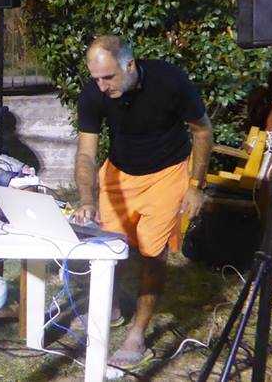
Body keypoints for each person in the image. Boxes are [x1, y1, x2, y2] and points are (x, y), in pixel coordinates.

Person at [73, 34, 213, 369]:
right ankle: (111, 309)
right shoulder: (94, 92)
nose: (102, 86)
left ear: (130, 65)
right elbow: (86, 153)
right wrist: (86, 199)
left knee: (152, 255)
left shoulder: (170, 81)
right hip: (119, 172)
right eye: (96, 79)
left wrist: (195, 186)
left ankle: (137, 334)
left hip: (166, 174)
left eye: (109, 77)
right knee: (110, 248)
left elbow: (203, 131)